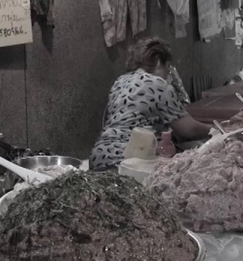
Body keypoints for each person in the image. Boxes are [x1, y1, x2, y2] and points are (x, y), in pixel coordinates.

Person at [90, 37, 213, 170]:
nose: (168, 73)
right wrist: (215, 130)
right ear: (159, 62)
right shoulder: (158, 84)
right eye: (168, 67)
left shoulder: (120, 81)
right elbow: (189, 129)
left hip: (99, 156)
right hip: (128, 161)